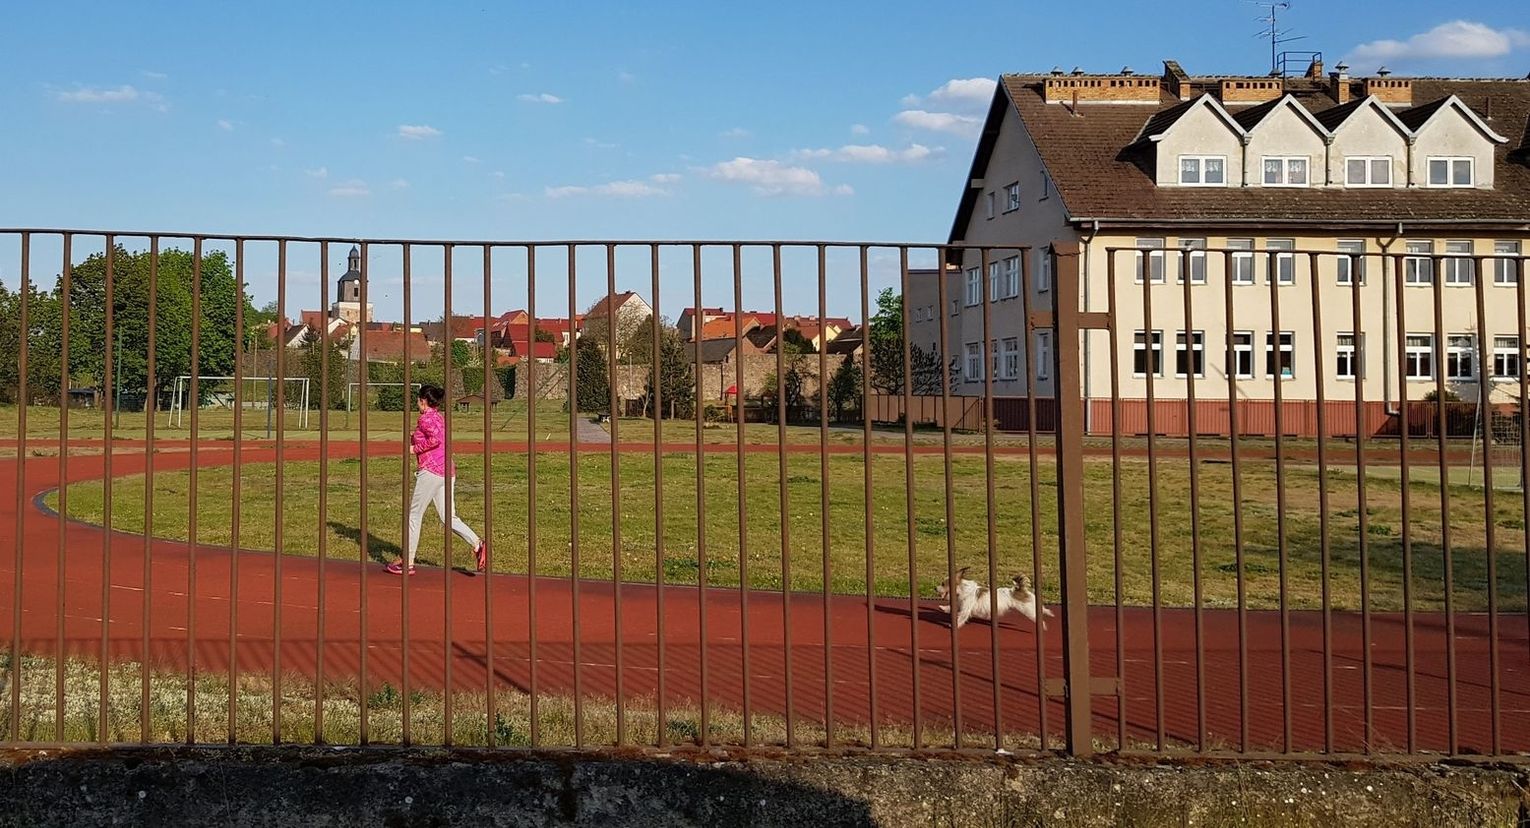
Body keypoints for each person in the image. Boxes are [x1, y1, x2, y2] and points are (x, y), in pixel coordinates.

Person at [387, 384, 487, 575]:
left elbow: (435, 440)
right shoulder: (439, 417)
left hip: (431, 471)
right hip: (447, 471)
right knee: (448, 516)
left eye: (418, 400)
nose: (417, 403)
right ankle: (477, 544)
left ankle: (407, 561)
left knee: (414, 515)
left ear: (423, 401)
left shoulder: (425, 418)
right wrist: (414, 438)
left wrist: (414, 449)